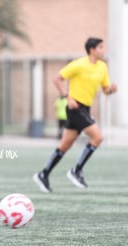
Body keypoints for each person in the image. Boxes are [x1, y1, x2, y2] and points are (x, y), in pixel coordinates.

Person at [33, 37, 117, 193]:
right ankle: (76, 171)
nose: (104, 50)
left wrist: (111, 89)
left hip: (85, 108)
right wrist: (67, 97)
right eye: (101, 47)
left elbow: (105, 90)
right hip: (75, 107)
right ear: (92, 49)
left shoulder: (102, 67)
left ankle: (43, 174)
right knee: (98, 138)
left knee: (65, 145)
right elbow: (57, 79)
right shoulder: (79, 64)